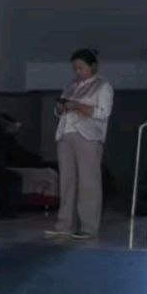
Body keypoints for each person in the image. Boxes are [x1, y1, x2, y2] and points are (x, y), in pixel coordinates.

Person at [44, 48, 113, 240]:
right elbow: (60, 110)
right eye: (75, 68)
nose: (78, 72)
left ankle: (88, 227)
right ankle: (64, 224)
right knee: (67, 181)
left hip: (88, 136)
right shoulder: (70, 85)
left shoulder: (102, 86)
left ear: (92, 66)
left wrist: (77, 106)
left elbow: (103, 113)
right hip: (66, 134)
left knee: (88, 182)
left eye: (81, 68)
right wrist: (61, 107)